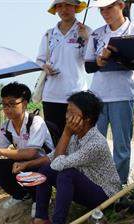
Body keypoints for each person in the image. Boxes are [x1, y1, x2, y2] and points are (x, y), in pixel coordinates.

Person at [14, 91, 121, 224]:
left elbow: (58, 164)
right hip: (88, 185)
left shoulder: (95, 144)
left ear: (87, 119)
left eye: (71, 113)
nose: (66, 117)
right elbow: (53, 157)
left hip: (106, 196)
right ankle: (40, 220)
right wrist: (28, 164)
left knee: (66, 174)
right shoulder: (76, 135)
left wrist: (66, 133)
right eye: (67, 111)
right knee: (44, 170)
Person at [84, 0, 134, 184]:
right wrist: (99, 62)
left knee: (122, 146)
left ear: (121, 5)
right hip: (97, 96)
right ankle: (95, 185)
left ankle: (118, 187)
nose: (105, 13)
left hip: (122, 95)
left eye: (109, 8)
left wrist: (115, 56)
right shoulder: (96, 34)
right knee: (95, 144)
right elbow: (88, 66)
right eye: (101, 9)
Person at [0, 82, 54, 211]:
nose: (7, 109)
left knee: (28, 168)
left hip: (43, 163)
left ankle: (40, 198)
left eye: (12, 104)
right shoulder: (6, 127)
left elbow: (31, 153)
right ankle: (21, 193)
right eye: (4, 105)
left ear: (24, 104)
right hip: (23, 163)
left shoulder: (35, 122)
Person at [37, 0, 92, 138]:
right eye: (59, 6)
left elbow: (91, 60)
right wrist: (45, 67)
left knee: (76, 138)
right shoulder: (49, 34)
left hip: (77, 95)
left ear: (76, 7)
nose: (63, 9)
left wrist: (86, 39)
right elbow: (39, 60)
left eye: (68, 5)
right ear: (55, 10)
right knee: (54, 138)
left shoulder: (86, 31)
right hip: (51, 96)